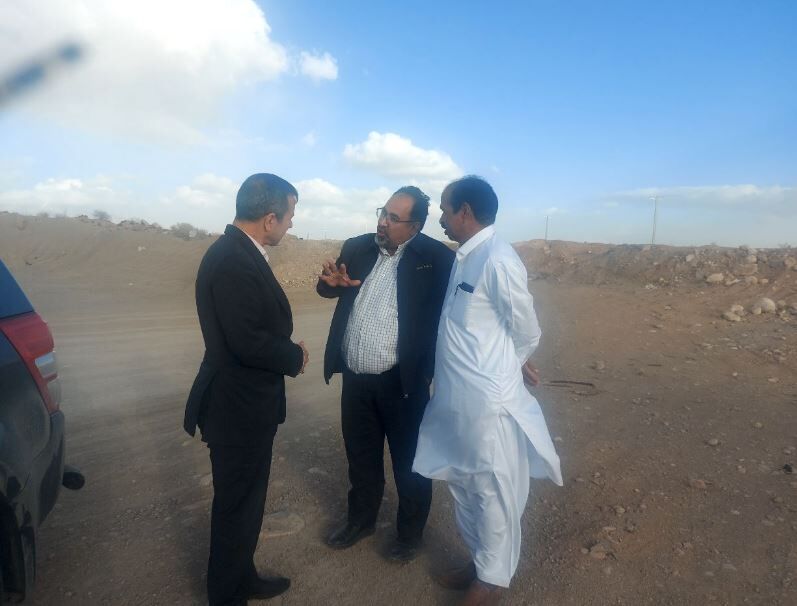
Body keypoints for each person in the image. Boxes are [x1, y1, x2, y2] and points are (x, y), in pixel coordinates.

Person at [412, 176, 563, 605]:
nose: (441, 219)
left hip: (486, 403)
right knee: (462, 481)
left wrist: (508, 365)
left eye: (445, 210)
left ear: (465, 211)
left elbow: (526, 329)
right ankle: (480, 561)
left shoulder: (498, 259)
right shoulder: (466, 257)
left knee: (491, 488)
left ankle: (492, 580)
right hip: (455, 399)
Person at [183, 173, 309, 606]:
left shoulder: (239, 251)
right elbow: (246, 340)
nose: (292, 224)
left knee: (247, 503)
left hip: (246, 405)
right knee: (236, 506)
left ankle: (243, 578)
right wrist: (294, 356)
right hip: (235, 408)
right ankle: (226, 595)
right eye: (290, 215)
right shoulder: (232, 259)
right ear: (270, 218)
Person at [316, 185, 455, 561]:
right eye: (383, 212)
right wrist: (329, 286)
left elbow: (451, 319)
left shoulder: (436, 259)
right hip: (355, 378)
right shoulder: (357, 247)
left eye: (394, 218)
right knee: (361, 458)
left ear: (415, 226)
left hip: (402, 384)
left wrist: (428, 372)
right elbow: (330, 287)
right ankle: (360, 521)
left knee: (410, 464)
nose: (383, 222)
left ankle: (409, 535)